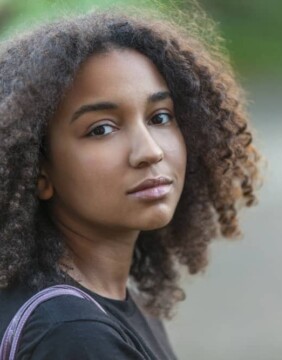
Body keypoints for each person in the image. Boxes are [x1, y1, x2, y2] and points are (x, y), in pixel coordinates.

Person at [0, 7, 260, 360]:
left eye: (160, 117)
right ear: (37, 170)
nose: (149, 152)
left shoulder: (87, 303)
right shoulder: (73, 335)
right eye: (102, 129)